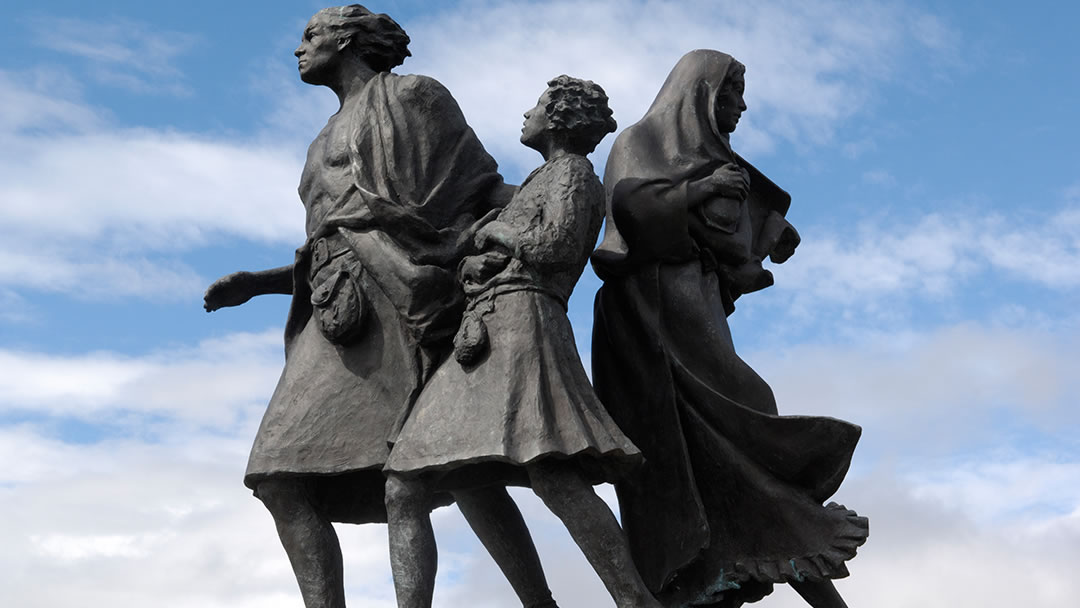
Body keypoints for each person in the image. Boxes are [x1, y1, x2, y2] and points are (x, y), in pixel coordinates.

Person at [204, 6, 557, 608]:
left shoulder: (416, 96)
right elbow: (328, 242)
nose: (299, 48)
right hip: (334, 312)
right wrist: (260, 283)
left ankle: (538, 602)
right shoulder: (319, 141)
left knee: (456, 467)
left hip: (410, 297)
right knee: (277, 477)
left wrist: (553, 194)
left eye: (310, 35)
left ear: (346, 38)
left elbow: (475, 188)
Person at [591, 50, 869, 608]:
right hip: (647, 316)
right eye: (730, 93)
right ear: (698, 92)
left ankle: (744, 558)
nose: (740, 106)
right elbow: (631, 212)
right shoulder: (638, 142)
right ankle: (699, 574)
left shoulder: (720, 162)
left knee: (741, 427)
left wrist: (769, 230)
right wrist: (699, 191)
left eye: (741, 94)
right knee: (694, 441)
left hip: (696, 310)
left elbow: (734, 234)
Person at [383, 76, 659, 608]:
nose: (525, 114)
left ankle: (635, 601)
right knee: (410, 479)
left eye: (535, 106)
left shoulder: (574, 173)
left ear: (556, 118)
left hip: (524, 323)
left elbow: (555, 246)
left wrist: (498, 236)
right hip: (485, 328)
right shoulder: (537, 178)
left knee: (551, 471)